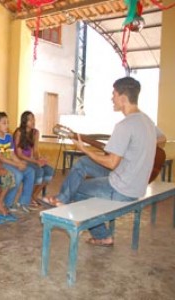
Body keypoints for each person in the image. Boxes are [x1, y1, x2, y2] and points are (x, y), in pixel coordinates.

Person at [42, 77, 167, 247]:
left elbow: (111, 163)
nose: (111, 98)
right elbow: (162, 139)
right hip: (136, 183)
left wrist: (84, 149)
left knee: (78, 190)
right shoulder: (147, 121)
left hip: (122, 188)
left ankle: (102, 235)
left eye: (114, 94)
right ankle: (61, 198)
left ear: (123, 98)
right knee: (82, 164)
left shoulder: (125, 125)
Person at [0, 112, 36, 213]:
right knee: (18, 175)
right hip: (1, 165)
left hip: (10, 162)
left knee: (30, 171)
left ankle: (24, 202)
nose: (7, 125)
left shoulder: (8, 136)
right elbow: (1, 159)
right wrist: (17, 164)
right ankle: (9, 203)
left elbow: (12, 154)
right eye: (4, 123)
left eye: (7, 123)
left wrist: (20, 162)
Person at [13, 111, 54, 208]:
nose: (33, 121)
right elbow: (19, 154)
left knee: (49, 170)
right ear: (24, 121)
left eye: (33, 119)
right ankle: (27, 198)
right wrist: (36, 162)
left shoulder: (35, 132)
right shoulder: (19, 132)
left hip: (31, 160)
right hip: (20, 160)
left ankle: (34, 195)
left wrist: (40, 159)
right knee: (39, 171)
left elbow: (35, 150)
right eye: (30, 119)